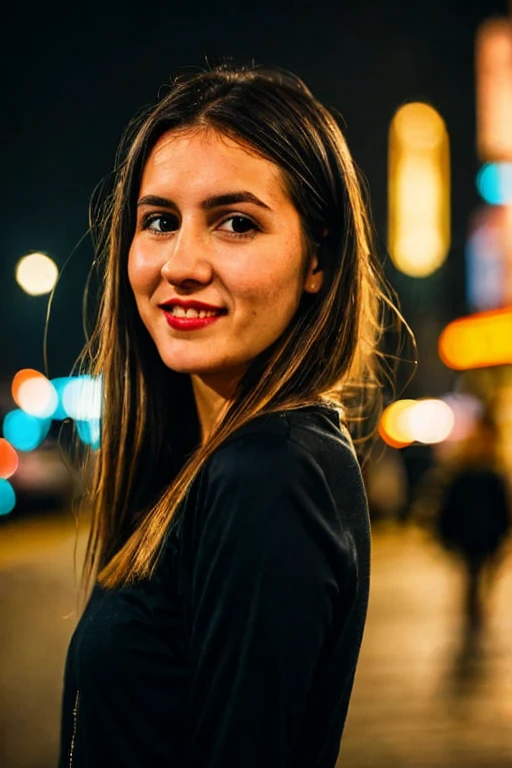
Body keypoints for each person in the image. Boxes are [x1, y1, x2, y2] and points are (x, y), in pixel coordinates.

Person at [58, 62, 402, 768]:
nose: (181, 263)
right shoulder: (213, 459)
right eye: (159, 221)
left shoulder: (269, 471)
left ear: (318, 259)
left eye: (236, 224)